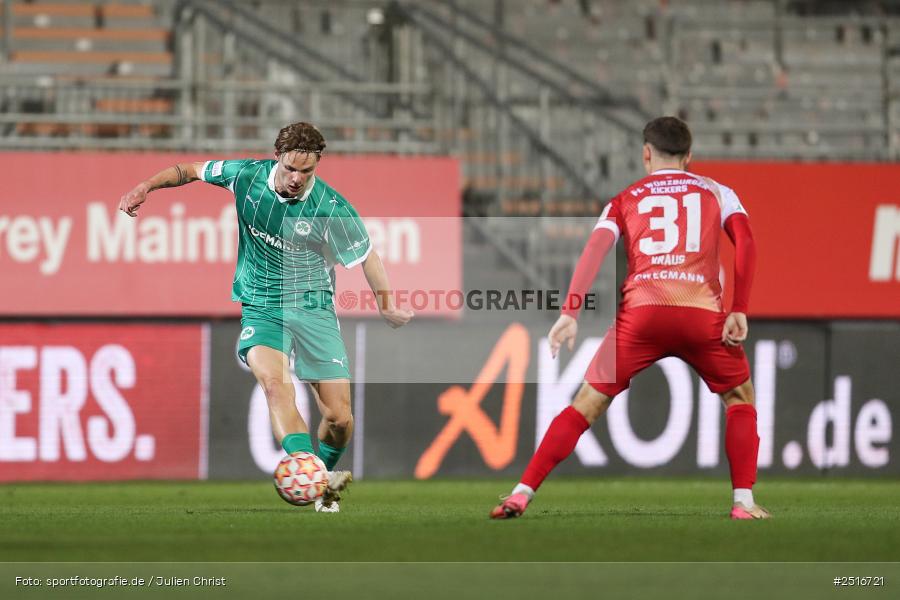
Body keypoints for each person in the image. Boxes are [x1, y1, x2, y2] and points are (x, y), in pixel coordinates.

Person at [119, 122, 413, 512]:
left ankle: (321, 477)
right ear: (278, 158)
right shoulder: (244, 175)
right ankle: (307, 470)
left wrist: (386, 304)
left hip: (313, 311)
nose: (296, 178)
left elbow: (367, 257)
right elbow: (189, 170)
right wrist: (146, 186)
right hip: (262, 305)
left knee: (340, 419)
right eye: (290, 168)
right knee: (275, 385)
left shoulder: (331, 208)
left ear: (317, 165)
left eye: (306, 171)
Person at [491, 116, 768, 520]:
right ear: (689, 156)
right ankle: (743, 502)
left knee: (586, 403)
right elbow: (746, 242)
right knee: (739, 397)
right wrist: (739, 307)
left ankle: (521, 493)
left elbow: (596, 248)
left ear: (646, 154)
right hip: (701, 313)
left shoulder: (625, 199)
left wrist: (570, 311)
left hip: (641, 317)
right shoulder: (717, 192)